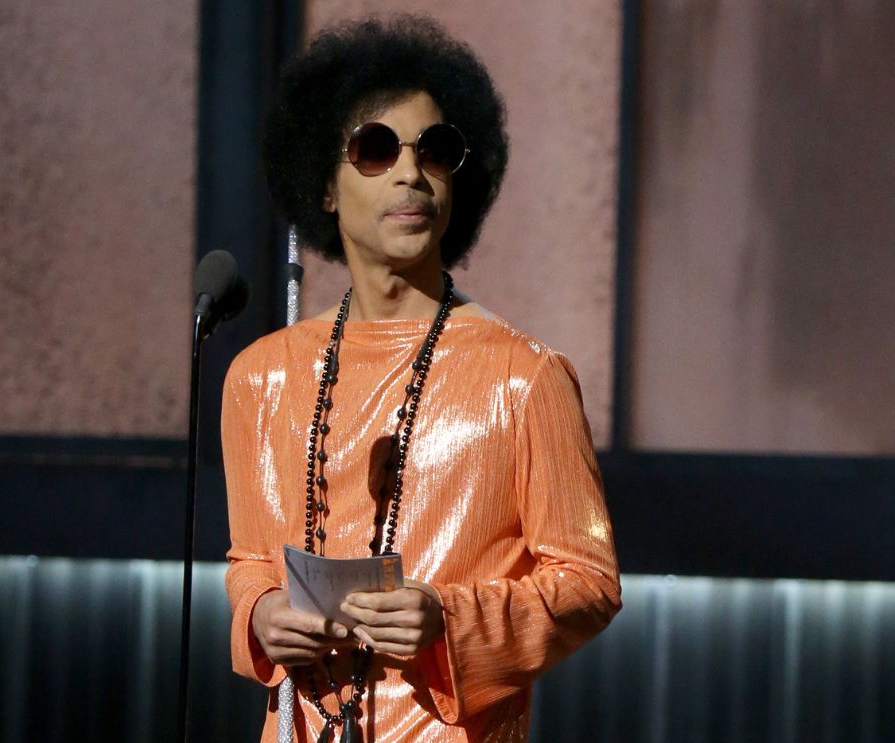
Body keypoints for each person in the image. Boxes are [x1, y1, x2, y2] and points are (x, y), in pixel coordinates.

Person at [222, 15, 621, 742]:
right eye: (376, 148)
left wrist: (449, 618)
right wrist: (261, 613)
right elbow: (252, 560)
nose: (410, 173)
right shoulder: (261, 378)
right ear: (325, 186)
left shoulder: (525, 377)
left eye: (435, 151)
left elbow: (588, 581)